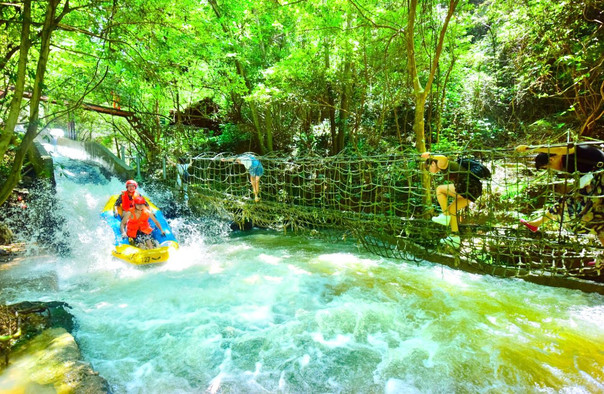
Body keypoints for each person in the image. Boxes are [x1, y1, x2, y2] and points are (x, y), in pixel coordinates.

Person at [515, 143, 604, 249]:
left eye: (548, 167)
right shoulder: (569, 164)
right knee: (596, 219)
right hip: (596, 186)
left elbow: (562, 149)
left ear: (552, 159)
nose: (551, 170)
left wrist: (531, 148)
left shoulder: (570, 153)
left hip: (600, 183)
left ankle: (536, 223)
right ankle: (536, 223)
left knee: (572, 206)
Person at [421, 152, 486, 248]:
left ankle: (445, 216)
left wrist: (430, 156)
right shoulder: (443, 169)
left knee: (439, 189)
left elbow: (443, 158)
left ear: (433, 163)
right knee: (452, 210)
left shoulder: (441, 164)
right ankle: (455, 237)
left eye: (428, 167)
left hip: (469, 186)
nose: (429, 170)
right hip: (474, 190)